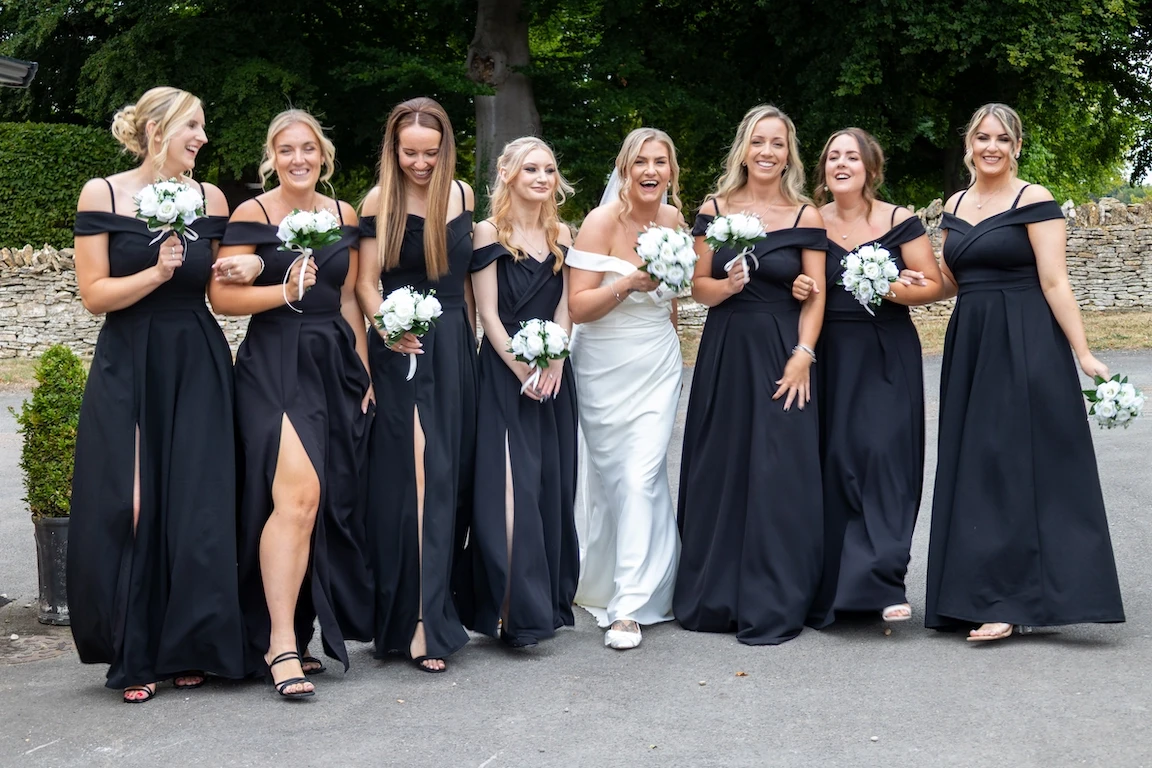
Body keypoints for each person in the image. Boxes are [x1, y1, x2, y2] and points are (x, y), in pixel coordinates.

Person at [69, 86, 260, 703]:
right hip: (130, 357)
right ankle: (133, 648)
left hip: (198, 357)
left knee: (197, 503)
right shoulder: (102, 191)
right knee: (130, 501)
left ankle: (193, 646)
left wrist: (239, 269)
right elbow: (95, 295)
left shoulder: (211, 197)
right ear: (158, 129)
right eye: (194, 126)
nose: (203, 137)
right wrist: (154, 272)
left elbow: (219, 288)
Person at [925, 103, 1124, 641]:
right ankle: (970, 594)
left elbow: (1055, 281)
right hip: (971, 341)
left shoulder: (1034, 200)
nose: (992, 146)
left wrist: (1082, 353)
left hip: (1026, 337)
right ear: (969, 144)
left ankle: (1010, 600)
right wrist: (890, 285)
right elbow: (949, 281)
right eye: (982, 137)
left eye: (1003, 139)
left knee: (1016, 463)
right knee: (976, 463)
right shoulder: (956, 203)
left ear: (1017, 147)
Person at [211, 109, 374, 698]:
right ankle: (281, 644)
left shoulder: (343, 214)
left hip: (333, 362)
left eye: (308, 148)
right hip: (274, 362)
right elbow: (222, 299)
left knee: (316, 506)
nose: (298, 158)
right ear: (271, 157)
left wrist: (364, 371)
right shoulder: (251, 214)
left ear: (323, 155)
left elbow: (352, 298)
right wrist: (281, 289)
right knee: (297, 496)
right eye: (286, 150)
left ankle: (299, 631)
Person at [674, 104, 830, 645]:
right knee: (723, 466)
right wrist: (729, 285)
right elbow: (697, 286)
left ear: (789, 153)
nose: (768, 152)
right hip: (727, 347)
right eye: (759, 141)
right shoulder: (714, 208)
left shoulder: (806, 214)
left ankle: (777, 595)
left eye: (778, 143)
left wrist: (803, 354)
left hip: (784, 349)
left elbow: (817, 294)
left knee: (780, 470)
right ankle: (717, 597)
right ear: (743, 147)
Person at [790, 128, 942, 623]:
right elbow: (800, 283)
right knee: (833, 462)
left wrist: (891, 287)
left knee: (883, 459)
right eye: (832, 156)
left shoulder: (899, 221)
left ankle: (884, 581)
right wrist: (797, 285)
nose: (841, 163)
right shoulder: (811, 220)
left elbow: (935, 285)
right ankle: (836, 588)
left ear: (870, 169)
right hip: (830, 351)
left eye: (851, 157)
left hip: (884, 349)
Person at [357, 97, 477, 673]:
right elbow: (364, 285)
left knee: (446, 481)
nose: (421, 163)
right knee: (413, 483)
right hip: (402, 349)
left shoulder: (462, 196)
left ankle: (436, 610)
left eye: (431, 153)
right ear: (393, 148)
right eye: (410, 152)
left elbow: (469, 284)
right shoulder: (378, 201)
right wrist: (386, 329)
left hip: (454, 348)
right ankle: (415, 620)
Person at [567, 128, 684, 650]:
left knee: (643, 474)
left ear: (671, 171)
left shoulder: (674, 221)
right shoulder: (598, 223)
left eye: (660, 161)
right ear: (625, 168)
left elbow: (676, 297)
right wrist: (628, 284)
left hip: (656, 359)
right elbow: (578, 307)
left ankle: (630, 604)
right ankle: (615, 577)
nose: (650, 170)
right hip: (603, 365)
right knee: (615, 479)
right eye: (641, 161)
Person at [467, 137, 580, 648]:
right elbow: (487, 313)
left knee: (546, 488)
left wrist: (554, 359)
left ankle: (539, 603)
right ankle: (512, 608)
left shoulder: (563, 233)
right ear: (508, 174)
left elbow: (568, 306)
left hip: (554, 375)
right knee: (509, 492)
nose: (541, 177)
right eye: (531, 168)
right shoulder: (489, 231)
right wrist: (522, 369)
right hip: (503, 372)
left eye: (549, 169)